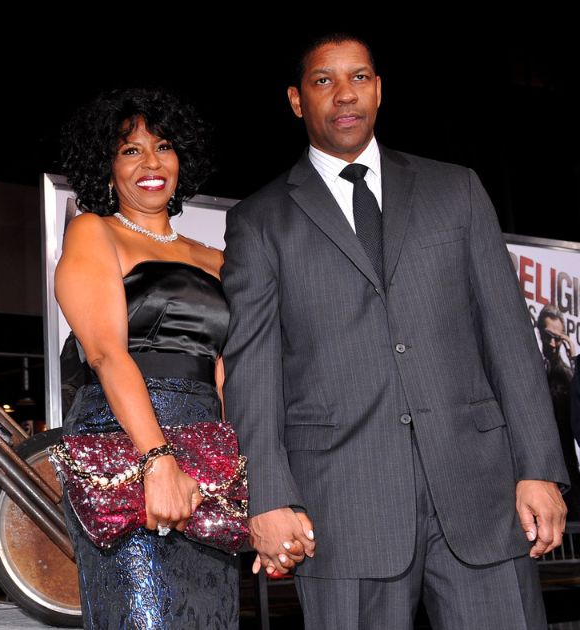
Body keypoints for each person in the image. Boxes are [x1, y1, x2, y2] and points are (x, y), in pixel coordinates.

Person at [221, 34, 569, 629]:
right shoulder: (261, 220)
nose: (344, 94)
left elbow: (509, 337)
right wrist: (268, 496)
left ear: (379, 90)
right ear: (296, 100)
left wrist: (539, 466)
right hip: (339, 507)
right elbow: (253, 373)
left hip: (480, 496)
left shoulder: (454, 189)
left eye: (359, 77)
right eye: (323, 81)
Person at [54, 89, 251, 629]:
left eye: (163, 146)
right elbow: (105, 353)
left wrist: (245, 476)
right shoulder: (93, 231)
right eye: (130, 150)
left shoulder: (216, 259)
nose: (151, 163)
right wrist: (156, 459)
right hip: (126, 446)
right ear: (107, 166)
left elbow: (226, 369)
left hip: (208, 452)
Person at [538, 306, 579, 514]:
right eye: (548, 336)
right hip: (537, 473)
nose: (553, 344)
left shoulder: (568, 374)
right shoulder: (531, 371)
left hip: (568, 470)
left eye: (557, 338)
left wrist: (574, 359)